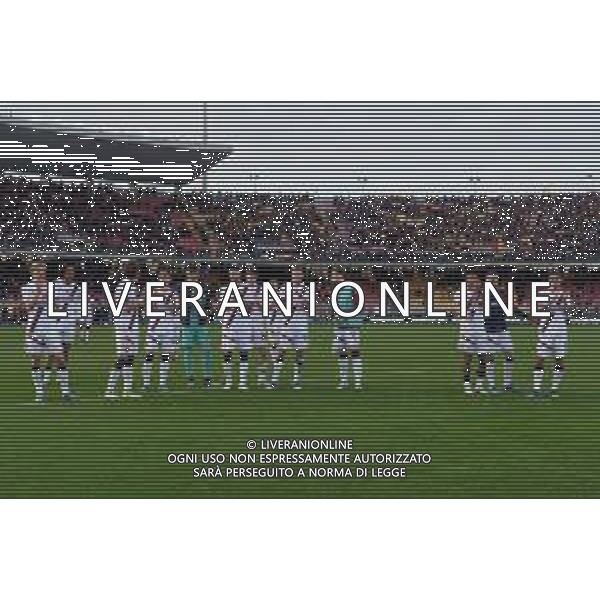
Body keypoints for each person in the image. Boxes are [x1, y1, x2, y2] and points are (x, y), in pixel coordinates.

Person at [21, 262, 70, 402]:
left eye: (43, 270)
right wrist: (39, 292)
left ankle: (65, 392)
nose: (41, 273)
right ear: (33, 272)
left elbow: (56, 307)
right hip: (34, 327)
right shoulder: (27, 287)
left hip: (50, 326)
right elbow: (28, 308)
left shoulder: (51, 286)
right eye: (38, 270)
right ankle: (40, 392)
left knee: (60, 358)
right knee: (36, 360)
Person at [105, 262, 142, 399]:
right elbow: (126, 306)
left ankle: (125, 389)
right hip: (126, 325)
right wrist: (143, 301)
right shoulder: (127, 286)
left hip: (128, 324)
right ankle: (111, 389)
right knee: (123, 357)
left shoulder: (127, 285)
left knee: (129, 356)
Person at [271, 266, 310, 390]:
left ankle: (297, 379)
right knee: (282, 350)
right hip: (287, 324)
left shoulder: (306, 289)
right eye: (294, 273)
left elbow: (309, 306)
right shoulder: (285, 288)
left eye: (299, 273)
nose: (296, 275)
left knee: (300, 352)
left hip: (301, 323)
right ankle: (275, 378)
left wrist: (300, 303)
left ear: (302, 275)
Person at [142, 264, 180, 392]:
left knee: (165, 356)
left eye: (167, 276)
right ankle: (146, 383)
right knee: (149, 355)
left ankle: (162, 383)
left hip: (168, 328)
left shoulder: (174, 293)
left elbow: (177, 312)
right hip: (154, 328)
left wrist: (176, 332)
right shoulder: (152, 291)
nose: (164, 278)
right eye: (162, 276)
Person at [532, 273, 571, 398]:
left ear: (560, 281)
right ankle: (537, 388)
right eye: (552, 280)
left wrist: (562, 301)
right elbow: (537, 310)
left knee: (559, 359)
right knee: (540, 358)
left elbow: (569, 312)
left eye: (556, 280)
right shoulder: (543, 294)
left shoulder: (565, 294)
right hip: (545, 330)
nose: (554, 282)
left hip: (560, 331)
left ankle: (554, 388)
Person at [181, 265, 213, 389]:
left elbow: (208, 305)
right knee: (187, 352)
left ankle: (207, 378)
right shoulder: (182, 289)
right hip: (187, 325)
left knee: (206, 351)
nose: (192, 275)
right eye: (190, 273)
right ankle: (190, 378)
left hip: (201, 325)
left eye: (194, 273)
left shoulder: (204, 288)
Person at [331, 269, 363, 390]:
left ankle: (357, 381)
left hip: (351, 326)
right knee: (342, 353)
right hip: (339, 327)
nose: (332, 277)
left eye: (335, 275)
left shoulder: (350, 288)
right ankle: (344, 381)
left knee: (355, 351)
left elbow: (358, 304)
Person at [455, 273, 488, 395]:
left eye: (476, 280)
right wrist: (474, 296)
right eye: (471, 280)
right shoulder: (460, 294)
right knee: (467, 360)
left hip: (481, 331)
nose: (474, 283)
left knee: (483, 359)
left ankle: (479, 386)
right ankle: (467, 385)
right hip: (467, 331)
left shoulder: (483, 294)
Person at [483, 273, 514, 393]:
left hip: (503, 329)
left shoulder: (501, 294)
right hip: (489, 331)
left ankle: (507, 383)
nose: (493, 282)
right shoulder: (483, 296)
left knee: (509, 355)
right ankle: (491, 385)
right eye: (490, 280)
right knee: (490, 357)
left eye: (495, 280)